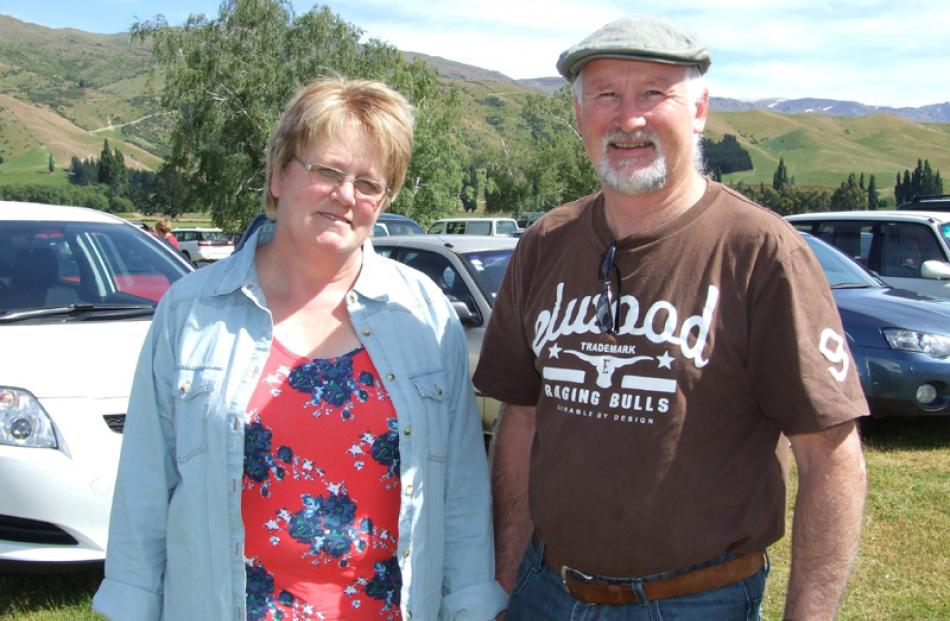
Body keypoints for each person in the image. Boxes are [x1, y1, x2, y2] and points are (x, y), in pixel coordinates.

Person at [473, 15, 868, 621]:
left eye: (654, 93)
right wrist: (505, 583)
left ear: (700, 108)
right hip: (545, 589)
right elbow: (520, 423)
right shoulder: (545, 243)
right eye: (606, 95)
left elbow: (831, 458)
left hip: (695, 603)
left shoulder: (759, 252)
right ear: (580, 116)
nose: (628, 119)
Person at [93, 77, 506, 621]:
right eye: (327, 171)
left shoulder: (423, 313)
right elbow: (145, 492)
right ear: (278, 174)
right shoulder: (192, 310)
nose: (345, 196)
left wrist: (472, 605)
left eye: (368, 183)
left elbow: (460, 493)